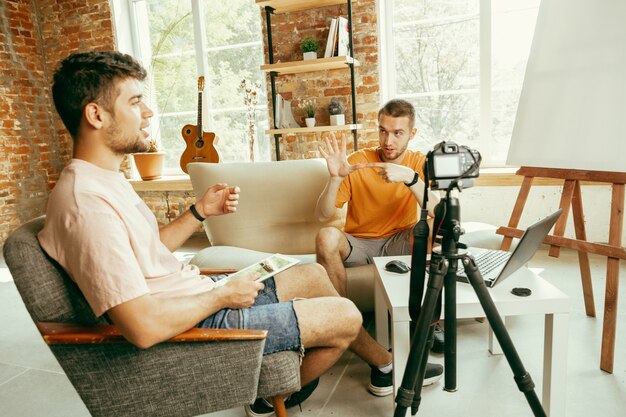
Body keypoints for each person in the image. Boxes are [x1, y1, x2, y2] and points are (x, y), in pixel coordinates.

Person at [38, 51, 365, 417]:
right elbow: (142, 327)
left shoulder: (105, 179)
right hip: (193, 322)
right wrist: (223, 295)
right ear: (96, 115)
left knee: (313, 274)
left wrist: (199, 212)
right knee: (346, 316)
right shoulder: (85, 203)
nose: (147, 113)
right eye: (134, 101)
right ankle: (269, 392)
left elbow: (147, 252)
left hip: (197, 298)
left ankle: (378, 361)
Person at [314, 99, 444, 397]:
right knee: (325, 236)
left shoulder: (418, 162)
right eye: (383, 131)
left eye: (398, 133)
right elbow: (322, 214)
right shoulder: (360, 160)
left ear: (412, 133)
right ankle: (345, 321)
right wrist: (335, 177)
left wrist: (410, 180)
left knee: (435, 230)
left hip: (400, 239)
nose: (388, 140)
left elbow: (438, 211)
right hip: (361, 243)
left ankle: (430, 321)